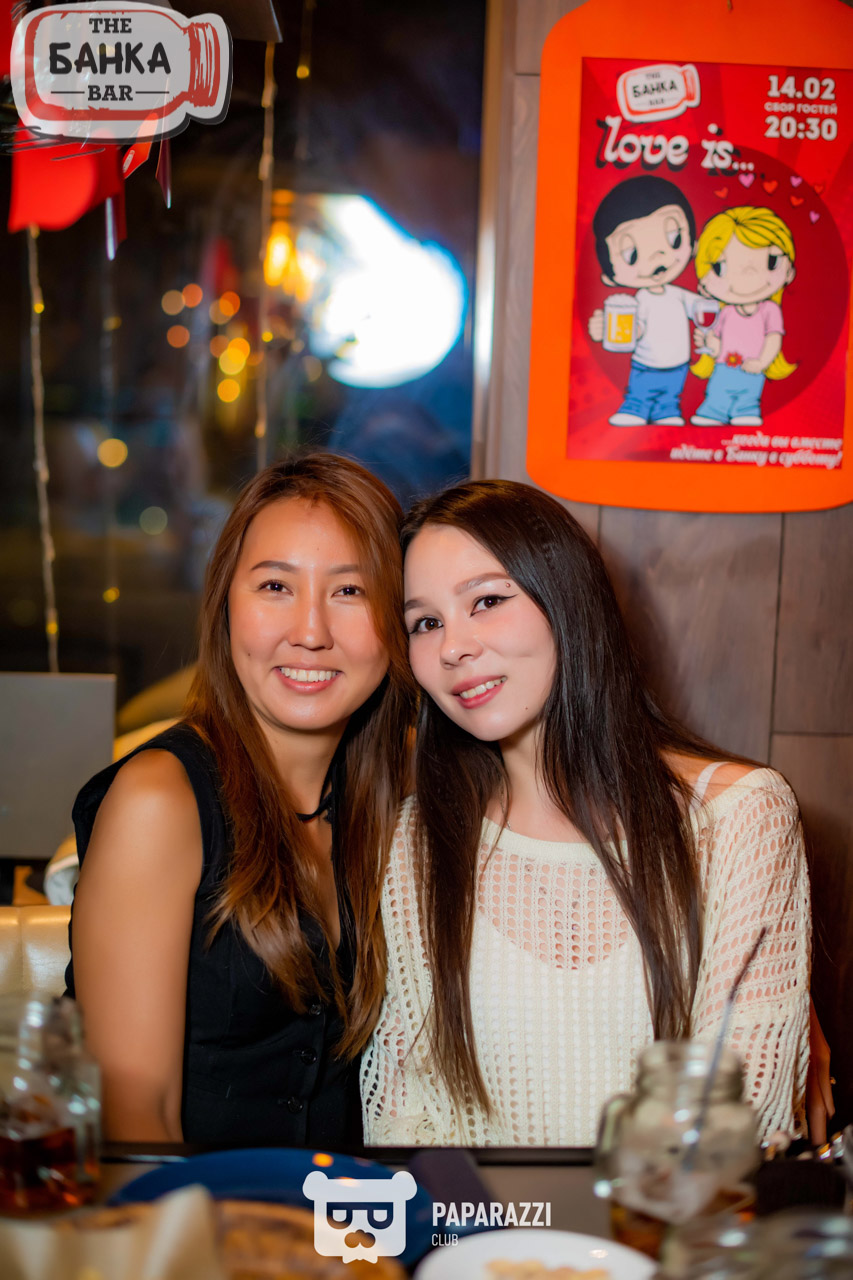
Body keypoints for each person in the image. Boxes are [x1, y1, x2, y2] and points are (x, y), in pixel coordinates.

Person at [361, 480, 811, 1146]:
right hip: (471, 1216)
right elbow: (401, 1111)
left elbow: (744, 1112)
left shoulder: (740, 816)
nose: (453, 646)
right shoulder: (417, 839)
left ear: (567, 600)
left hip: (662, 1212)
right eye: (425, 623)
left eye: (487, 601)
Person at [67, 454, 415, 1145]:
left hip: (350, 1208)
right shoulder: (160, 802)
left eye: (350, 590)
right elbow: (136, 1121)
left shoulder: (390, 793)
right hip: (197, 1208)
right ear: (225, 604)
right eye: (275, 586)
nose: (310, 631)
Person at [587, 176, 702, 426]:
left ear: (693, 243)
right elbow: (633, 329)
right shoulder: (638, 301)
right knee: (639, 393)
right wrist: (606, 329)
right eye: (632, 254)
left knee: (670, 397)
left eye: (673, 238)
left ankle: (668, 412)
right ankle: (634, 409)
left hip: (678, 365)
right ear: (610, 276)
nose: (658, 256)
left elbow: (701, 308)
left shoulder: (678, 295)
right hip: (646, 364)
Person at [690, 206, 796, 426]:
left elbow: (773, 338)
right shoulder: (726, 312)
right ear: (704, 281)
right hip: (723, 368)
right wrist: (710, 344)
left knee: (748, 403)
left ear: (789, 272)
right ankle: (713, 413)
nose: (748, 275)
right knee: (716, 399)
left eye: (771, 261)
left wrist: (762, 362)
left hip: (752, 370)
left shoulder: (769, 310)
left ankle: (746, 413)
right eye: (720, 267)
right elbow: (718, 341)